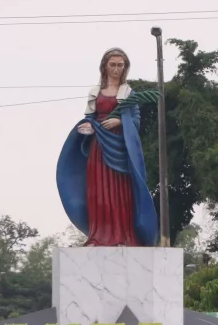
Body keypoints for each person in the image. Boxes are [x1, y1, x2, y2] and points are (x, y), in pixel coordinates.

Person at [55, 47, 159, 247]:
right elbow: (89, 118)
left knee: (121, 192)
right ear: (105, 66)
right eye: (113, 65)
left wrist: (119, 122)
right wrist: (87, 127)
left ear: (125, 68)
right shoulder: (96, 92)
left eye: (120, 65)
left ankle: (123, 236)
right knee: (98, 191)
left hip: (120, 147)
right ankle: (98, 236)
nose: (116, 69)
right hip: (99, 147)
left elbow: (136, 120)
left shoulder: (128, 93)